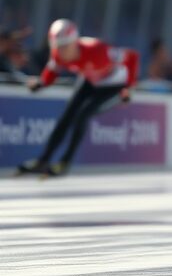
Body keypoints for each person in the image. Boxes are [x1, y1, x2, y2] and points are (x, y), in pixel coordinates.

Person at [15, 19, 138, 177]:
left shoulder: (97, 49)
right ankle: (43, 161)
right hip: (90, 80)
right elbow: (52, 71)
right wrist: (41, 83)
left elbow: (132, 57)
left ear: (74, 42)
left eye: (65, 46)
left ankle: (65, 163)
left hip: (113, 85)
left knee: (82, 116)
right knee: (66, 117)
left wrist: (129, 87)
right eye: (57, 47)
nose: (61, 52)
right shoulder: (58, 54)